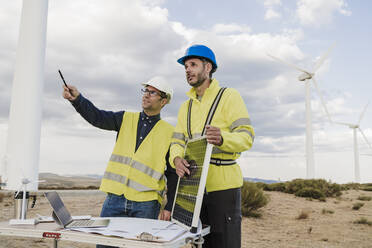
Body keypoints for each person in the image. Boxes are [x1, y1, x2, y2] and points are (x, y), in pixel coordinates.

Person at [62, 76, 176, 247]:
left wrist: (169, 207)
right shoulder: (125, 118)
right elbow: (97, 117)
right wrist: (77, 100)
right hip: (114, 199)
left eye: (152, 92)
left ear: (164, 100)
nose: (146, 95)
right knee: (105, 244)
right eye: (145, 90)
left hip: (146, 204)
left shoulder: (169, 132)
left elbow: (173, 173)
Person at [170, 44, 255, 248]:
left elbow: (247, 136)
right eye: (185, 67)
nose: (188, 70)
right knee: (200, 243)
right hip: (193, 188)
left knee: (225, 243)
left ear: (207, 68)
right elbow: (177, 141)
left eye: (193, 64)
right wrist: (176, 159)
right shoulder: (185, 107)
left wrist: (223, 138)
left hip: (223, 188)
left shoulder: (229, 96)